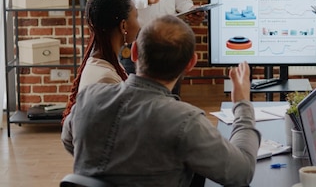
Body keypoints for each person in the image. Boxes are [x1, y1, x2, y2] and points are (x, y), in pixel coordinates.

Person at [61, 15, 260, 187]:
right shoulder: (185, 121)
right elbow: (241, 173)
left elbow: (70, 141)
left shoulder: (88, 98)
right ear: (191, 63)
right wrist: (242, 103)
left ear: (135, 52)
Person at [61, 0, 140, 122]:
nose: (139, 24)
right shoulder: (106, 78)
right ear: (123, 26)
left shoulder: (103, 63)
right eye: (136, 17)